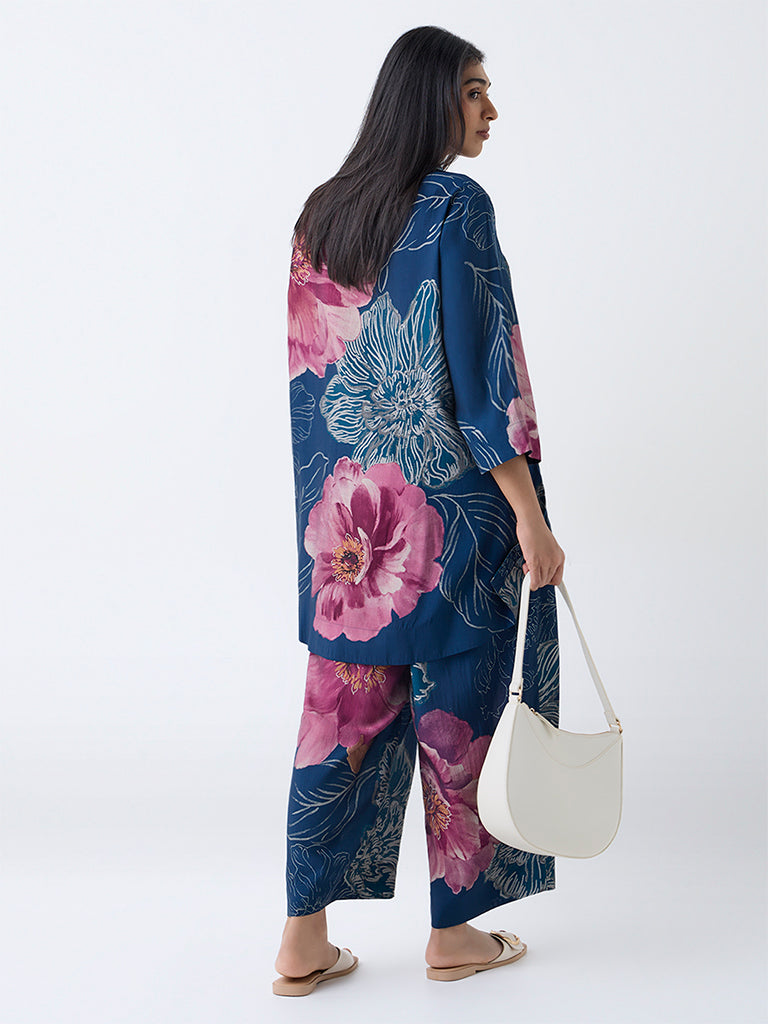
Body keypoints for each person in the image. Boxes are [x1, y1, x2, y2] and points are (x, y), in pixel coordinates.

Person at [273, 25, 566, 995]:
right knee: (459, 730)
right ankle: (454, 936)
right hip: (446, 534)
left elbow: (312, 381)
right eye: (476, 90)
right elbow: (487, 381)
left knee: (337, 734)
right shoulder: (455, 206)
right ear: (432, 96)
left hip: (346, 545)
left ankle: (302, 942)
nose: (491, 111)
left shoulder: (321, 215)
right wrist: (529, 518)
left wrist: (325, 533)